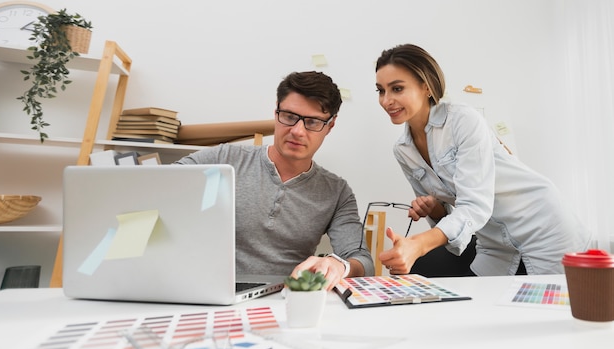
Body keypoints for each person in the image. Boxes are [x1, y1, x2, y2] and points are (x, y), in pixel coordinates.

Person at [374, 43, 590, 276]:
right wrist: (435, 210)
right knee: (481, 308)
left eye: (397, 89)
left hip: (543, 228)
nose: (386, 101)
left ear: (426, 87)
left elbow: (474, 205)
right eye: (381, 91)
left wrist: (417, 244)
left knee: (548, 310)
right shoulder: (403, 151)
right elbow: (452, 218)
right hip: (495, 245)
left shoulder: (463, 121)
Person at [175, 71, 374, 289]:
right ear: (276, 112)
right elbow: (158, 186)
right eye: (289, 117)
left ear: (330, 126)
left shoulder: (336, 192)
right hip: (210, 288)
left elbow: (362, 261)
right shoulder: (224, 159)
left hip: (286, 297)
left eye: (313, 122)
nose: (298, 131)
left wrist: (338, 265)